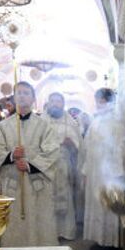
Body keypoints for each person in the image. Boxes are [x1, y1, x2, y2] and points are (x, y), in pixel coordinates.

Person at [0, 81, 60, 247]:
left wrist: (30, 165)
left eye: (26, 93)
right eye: (18, 93)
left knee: (39, 223)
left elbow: (52, 151)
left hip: (37, 184)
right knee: (15, 224)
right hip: (13, 183)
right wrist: (11, 155)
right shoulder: (3, 125)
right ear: (13, 98)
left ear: (33, 98)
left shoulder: (45, 125)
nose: (22, 96)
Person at [83, 88, 124, 248]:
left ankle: (108, 242)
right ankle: (97, 239)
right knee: (95, 203)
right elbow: (88, 147)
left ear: (110, 102)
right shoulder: (96, 120)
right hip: (94, 169)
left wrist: (116, 173)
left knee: (106, 204)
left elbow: (119, 146)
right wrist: (86, 171)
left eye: (101, 101)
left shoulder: (116, 121)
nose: (98, 104)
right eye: (97, 101)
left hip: (108, 170)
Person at [42, 92, 81, 240]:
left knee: (66, 197)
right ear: (48, 103)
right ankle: (49, 232)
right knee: (48, 198)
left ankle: (65, 231)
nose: (55, 104)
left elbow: (79, 145)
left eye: (58, 101)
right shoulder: (41, 121)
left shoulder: (70, 121)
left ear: (63, 104)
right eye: (52, 101)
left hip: (64, 164)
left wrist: (71, 143)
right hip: (46, 166)